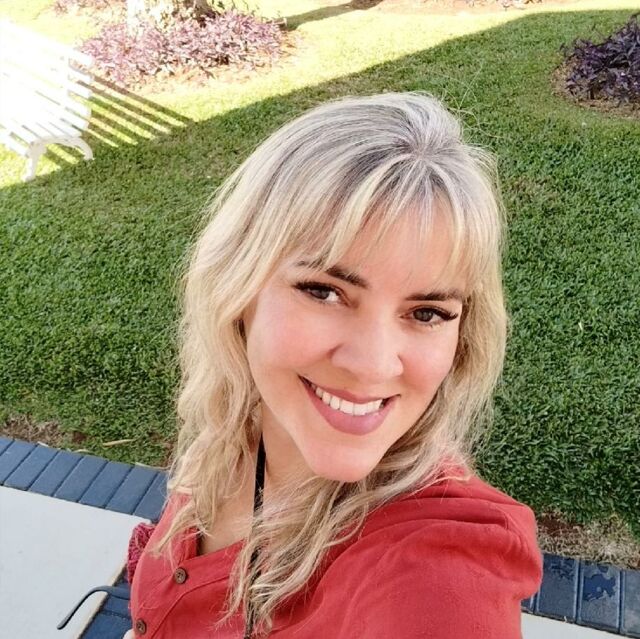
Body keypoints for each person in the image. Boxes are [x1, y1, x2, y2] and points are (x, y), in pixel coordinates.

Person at [123, 92, 542, 639]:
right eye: (324, 292)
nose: (373, 365)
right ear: (237, 287)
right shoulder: (243, 421)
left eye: (427, 312)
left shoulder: (435, 569)